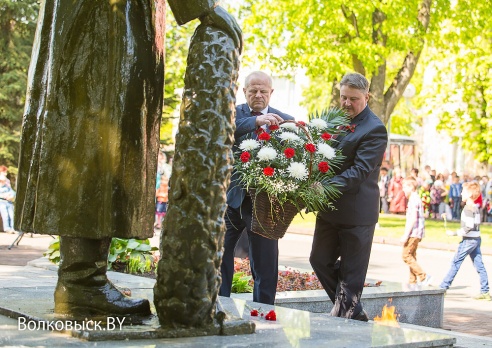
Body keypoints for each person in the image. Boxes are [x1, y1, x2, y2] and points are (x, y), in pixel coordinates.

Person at [14, 0, 242, 318]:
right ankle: (82, 282)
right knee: (98, 131)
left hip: (93, 17)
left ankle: (80, 278)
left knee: (91, 130)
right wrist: (202, 6)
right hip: (106, 18)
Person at [309, 72, 388, 321]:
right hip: (329, 210)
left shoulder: (375, 129)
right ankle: (355, 312)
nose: (346, 103)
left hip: (357, 214)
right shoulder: (335, 121)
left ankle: (346, 319)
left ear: (367, 96)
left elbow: (360, 170)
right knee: (319, 260)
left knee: (351, 275)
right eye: (343, 97)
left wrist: (326, 186)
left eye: (353, 99)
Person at [219, 71, 294, 305]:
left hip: (265, 207)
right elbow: (223, 132)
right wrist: (256, 121)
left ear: (271, 93)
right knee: (219, 255)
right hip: (230, 200)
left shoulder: (285, 120)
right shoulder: (231, 114)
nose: (258, 95)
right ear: (244, 92)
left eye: (263, 91)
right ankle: (218, 305)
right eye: (253, 91)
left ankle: (264, 312)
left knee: (265, 263)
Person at [440, 181, 490, 300]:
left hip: (468, 241)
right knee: (479, 265)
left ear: (469, 194)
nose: (461, 193)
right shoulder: (475, 208)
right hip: (476, 239)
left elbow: (468, 227)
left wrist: (454, 233)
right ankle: (485, 291)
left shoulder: (468, 209)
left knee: (455, 263)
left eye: (463, 191)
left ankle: (443, 287)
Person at [400, 178, 431, 287]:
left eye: (404, 187)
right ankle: (412, 280)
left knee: (406, 255)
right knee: (412, 255)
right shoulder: (416, 198)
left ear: (411, 187)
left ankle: (423, 276)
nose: (403, 189)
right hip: (418, 232)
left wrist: (405, 235)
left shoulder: (413, 199)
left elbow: (412, 219)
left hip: (413, 233)